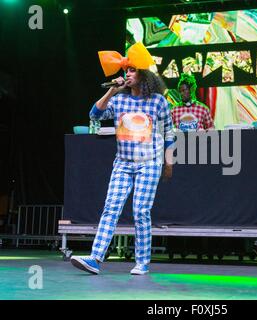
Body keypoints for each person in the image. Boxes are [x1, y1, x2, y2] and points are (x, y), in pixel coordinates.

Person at [70, 43, 175, 275]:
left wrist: (169, 163)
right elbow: (94, 114)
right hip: (123, 163)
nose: (127, 74)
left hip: (149, 163)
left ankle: (142, 262)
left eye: (132, 70)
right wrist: (111, 91)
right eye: (125, 70)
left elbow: (169, 133)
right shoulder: (118, 100)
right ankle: (96, 258)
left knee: (140, 211)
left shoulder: (158, 101)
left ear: (144, 75)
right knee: (111, 208)